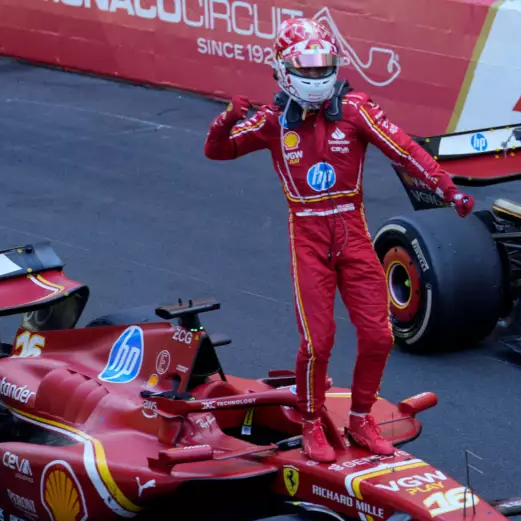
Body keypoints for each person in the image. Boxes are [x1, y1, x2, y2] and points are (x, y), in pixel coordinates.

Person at [203, 18, 474, 463]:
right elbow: (218, 150)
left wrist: (448, 188)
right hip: (307, 234)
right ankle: (311, 422)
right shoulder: (272, 121)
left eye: (322, 67)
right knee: (318, 343)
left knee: (379, 335)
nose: (315, 76)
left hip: (352, 231)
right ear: (285, 70)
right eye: (305, 69)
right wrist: (227, 118)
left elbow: (404, 150)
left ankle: (362, 418)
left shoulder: (356, 109)